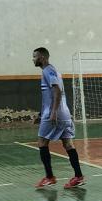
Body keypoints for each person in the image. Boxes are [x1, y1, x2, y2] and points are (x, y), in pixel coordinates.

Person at [33, 48, 85, 189]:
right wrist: (40, 114)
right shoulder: (54, 71)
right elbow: (50, 95)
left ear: (42, 58)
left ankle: (49, 177)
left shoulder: (47, 71)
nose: (33, 59)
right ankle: (78, 176)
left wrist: (53, 112)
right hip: (65, 114)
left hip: (54, 114)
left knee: (42, 142)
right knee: (68, 144)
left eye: (35, 56)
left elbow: (57, 90)